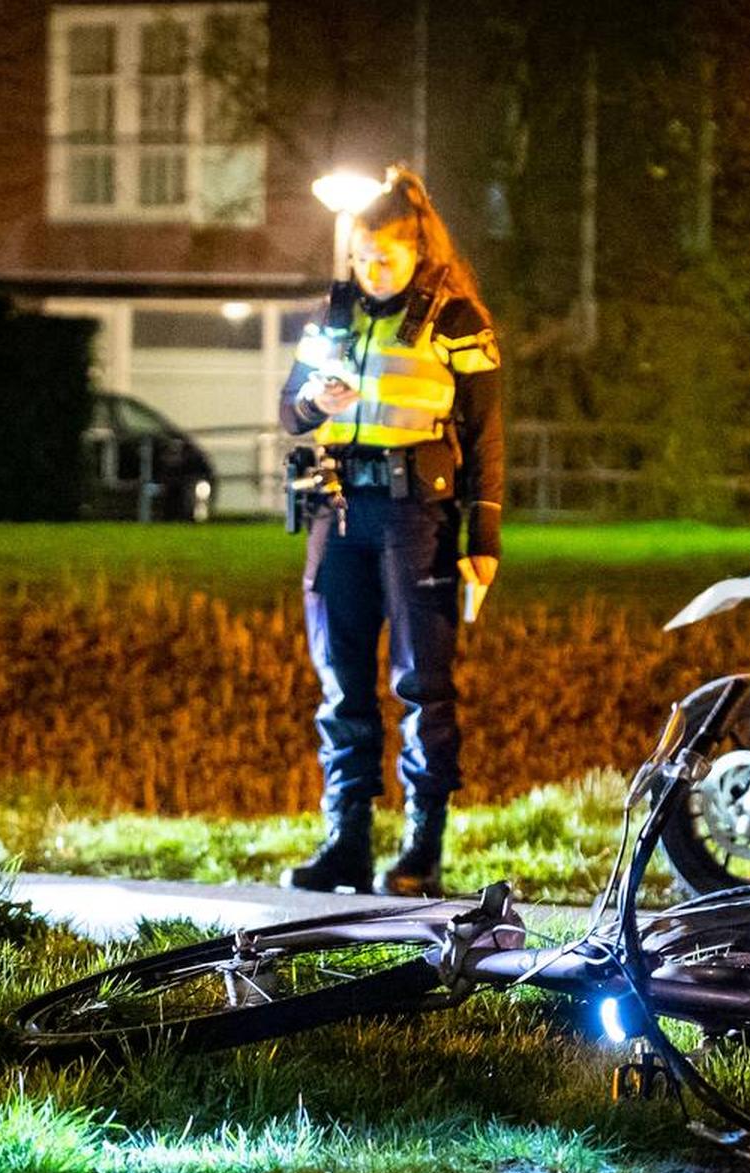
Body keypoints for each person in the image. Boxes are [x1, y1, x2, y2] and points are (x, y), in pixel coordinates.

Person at [277, 167, 502, 897]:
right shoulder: (334, 314)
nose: (372, 273)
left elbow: (486, 435)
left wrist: (483, 541)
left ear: (418, 250)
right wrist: (316, 400)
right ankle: (346, 840)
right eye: (361, 259)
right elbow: (290, 410)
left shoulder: (456, 320)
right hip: (337, 509)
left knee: (420, 682)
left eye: (386, 259)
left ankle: (420, 851)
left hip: (416, 517)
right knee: (341, 682)